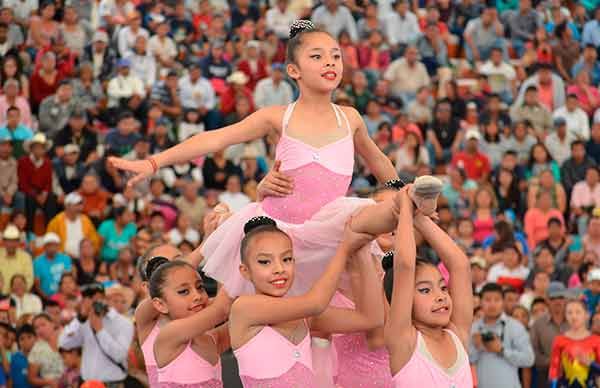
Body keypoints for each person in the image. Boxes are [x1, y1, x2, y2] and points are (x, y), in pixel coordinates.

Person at [109, 20, 443, 298]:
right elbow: (214, 138)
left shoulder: (351, 118)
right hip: (279, 234)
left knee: (366, 216)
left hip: (330, 230)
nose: (330, 63)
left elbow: (380, 162)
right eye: (317, 56)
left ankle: (410, 202)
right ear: (293, 70)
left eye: (336, 56)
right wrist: (152, 163)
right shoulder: (277, 117)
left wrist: (400, 187)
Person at [229, 215, 382, 386]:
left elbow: (371, 318)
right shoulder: (244, 308)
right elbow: (316, 303)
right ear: (245, 271)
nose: (279, 269)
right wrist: (344, 248)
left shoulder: (306, 317)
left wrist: (362, 254)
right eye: (265, 262)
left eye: (286, 259)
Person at [383, 186, 473, 387]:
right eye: (425, 290)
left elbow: (460, 265)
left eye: (443, 287)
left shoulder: (457, 333)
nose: (440, 296)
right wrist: (405, 208)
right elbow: (405, 266)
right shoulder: (404, 342)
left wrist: (419, 217)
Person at [59, 283, 134, 385]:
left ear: (106, 299)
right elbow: (64, 343)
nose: (92, 303)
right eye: (88, 298)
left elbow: (119, 355)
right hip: (87, 383)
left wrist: (99, 330)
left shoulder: (124, 323)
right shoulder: (84, 321)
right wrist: (80, 318)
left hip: (112, 383)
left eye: (97, 298)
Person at [469, 283, 535, 388]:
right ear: (480, 302)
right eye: (487, 300)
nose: (492, 304)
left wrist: (502, 350)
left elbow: (529, 359)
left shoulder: (515, 326)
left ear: (503, 302)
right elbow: (468, 361)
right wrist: (478, 347)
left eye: (496, 300)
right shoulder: (474, 328)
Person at [549, 299, 600, 388]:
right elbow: (554, 372)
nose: (574, 316)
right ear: (565, 315)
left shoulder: (596, 340)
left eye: (578, 312)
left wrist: (591, 363)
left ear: (586, 315)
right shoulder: (559, 340)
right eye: (569, 313)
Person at [530, 281, 569, 387]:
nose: (557, 301)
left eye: (560, 297)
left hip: (574, 376)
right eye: (553, 298)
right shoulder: (538, 324)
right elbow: (533, 352)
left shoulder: (575, 320)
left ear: (566, 299)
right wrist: (553, 362)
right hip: (545, 378)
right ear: (547, 300)